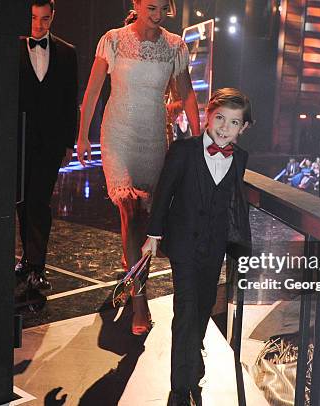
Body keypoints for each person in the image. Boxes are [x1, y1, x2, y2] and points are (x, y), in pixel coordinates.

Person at [77, 0, 200, 335]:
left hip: (154, 139)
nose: (157, 13)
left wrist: (198, 138)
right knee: (130, 209)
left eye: (162, 7)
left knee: (144, 219)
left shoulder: (174, 46)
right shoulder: (113, 39)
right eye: (151, 6)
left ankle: (130, 261)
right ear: (137, 3)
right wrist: (83, 134)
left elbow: (186, 93)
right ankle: (139, 302)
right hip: (118, 135)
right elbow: (93, 89)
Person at [141, 88, 253, 405]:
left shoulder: (240, 159)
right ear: (207, 115)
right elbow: (164, 194)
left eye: (233, 122)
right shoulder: (183, 151)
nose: (224, 127)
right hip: (184, 247)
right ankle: (181, 387)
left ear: (242, 129)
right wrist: (153, 235)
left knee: (203, 308)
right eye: (219, 118)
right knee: (185, 311)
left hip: (214, 247)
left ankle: (193, 358)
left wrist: (239, 243)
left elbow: (234, 203)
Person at [15, 0, 78, 290]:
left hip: (50, 144)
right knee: (22, 201)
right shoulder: (11, 48)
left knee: (38, 201)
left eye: (44, 18)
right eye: (33, 18)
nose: (38, 25)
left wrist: (69, 143)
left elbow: (70, 102)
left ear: (53, 17)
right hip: (17, 141)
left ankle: (37, 266)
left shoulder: (68, 53)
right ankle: (28, 259)